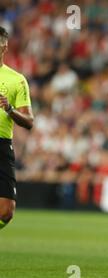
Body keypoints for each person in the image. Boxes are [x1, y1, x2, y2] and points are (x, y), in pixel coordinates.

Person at [0, 26, 34, 231]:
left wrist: (10, 110)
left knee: (6, 211)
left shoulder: (16, 80)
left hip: (2, 144)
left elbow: (29, 121)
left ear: (4, 46)